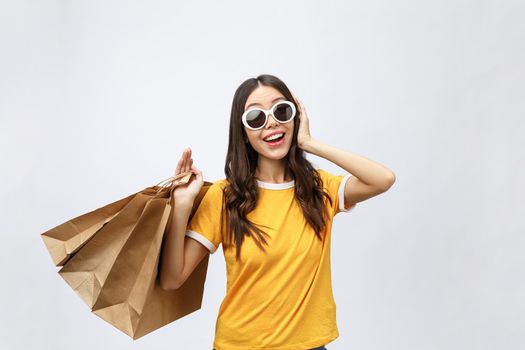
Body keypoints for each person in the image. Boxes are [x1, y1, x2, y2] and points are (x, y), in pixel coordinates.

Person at [159, 74, 396, 349]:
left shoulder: (320, 189)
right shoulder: (225, 197)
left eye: (281, 111)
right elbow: (171, 279)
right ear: (244, 134)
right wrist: (182, 206)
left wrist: (308, 142)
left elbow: (383, 179)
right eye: (256, 117)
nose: (271, 122)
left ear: (295, 118)